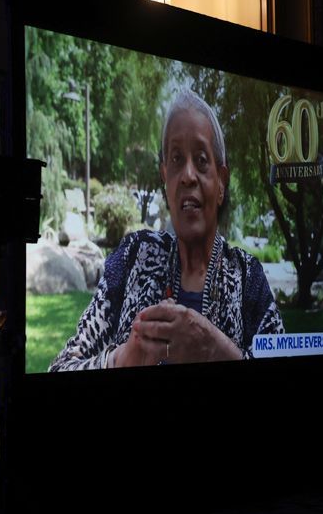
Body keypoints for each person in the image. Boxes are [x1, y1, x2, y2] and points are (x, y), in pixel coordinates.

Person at [49, 89, 284, 370]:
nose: (187, 176)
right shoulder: (131, 258)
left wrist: (214, 348)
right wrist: (121, 359)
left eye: (201, 160)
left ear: (221, 182)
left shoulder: (247, 278)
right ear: (165, 179)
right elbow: (61, 368)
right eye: (176, 159)